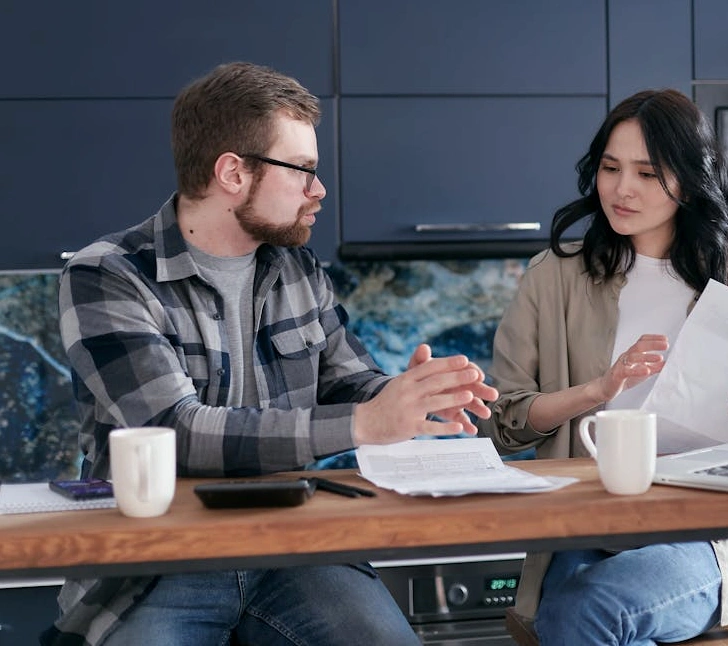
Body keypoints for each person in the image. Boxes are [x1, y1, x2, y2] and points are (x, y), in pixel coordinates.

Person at [44, 61, 498, 646]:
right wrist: (366, 422)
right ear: (233, 172)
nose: (319, 189)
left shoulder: (296, 266)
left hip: (294, 544)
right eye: (303, 170)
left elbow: (347, 380)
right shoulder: (107, 276)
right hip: (157, 563)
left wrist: (408, 396)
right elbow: (173, 431)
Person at [480, 88, 728, 646]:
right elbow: (500, 424)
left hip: (702, 530)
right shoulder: (554, 276)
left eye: (647, 173)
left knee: (587, 612)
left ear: (688, 181)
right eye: (611, 168)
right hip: (586, 522)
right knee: (568, 614)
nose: (622, 188)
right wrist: (599, 388)